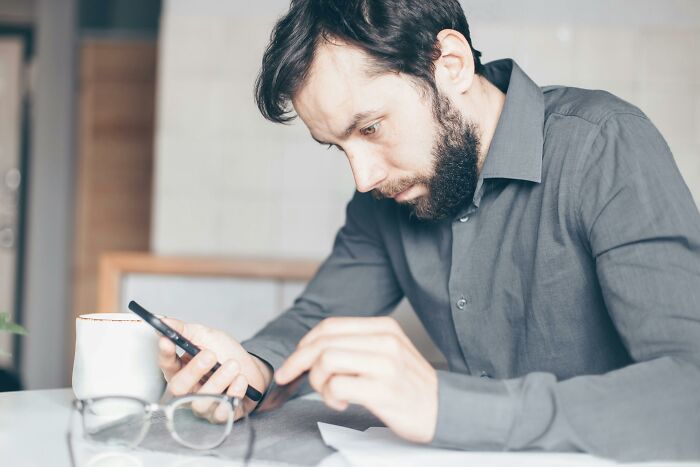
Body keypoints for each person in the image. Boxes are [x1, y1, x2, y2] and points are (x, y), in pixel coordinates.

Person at [157, 0, 700, 461]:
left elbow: (690, 390)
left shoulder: (604, 145)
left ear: (452, 65)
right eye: (339, 147)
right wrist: (247, 371)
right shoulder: (387, 195)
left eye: (370, 128)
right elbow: (314, 322)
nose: (364, 177)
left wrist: (447, 406)